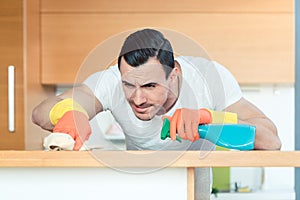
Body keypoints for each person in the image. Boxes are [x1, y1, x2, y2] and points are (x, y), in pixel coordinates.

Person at [32, 28, 281, 151]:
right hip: (138, 188)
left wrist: (210, 118)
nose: (137, 98)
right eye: (129, 85)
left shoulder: (208, 78)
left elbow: (271, 141)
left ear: (174, 75)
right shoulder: (111, 80)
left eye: (150, 85)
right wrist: (71, 111)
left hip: (192, 191)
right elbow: (41, 112)